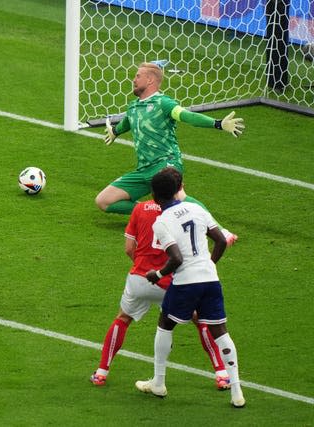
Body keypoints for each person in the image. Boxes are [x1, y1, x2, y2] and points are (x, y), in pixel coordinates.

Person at [90, 169, 230, 390]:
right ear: (178, 189)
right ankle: (222, 373)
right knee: (199, 319)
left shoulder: (139, 208)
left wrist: (142, 265)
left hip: (140, 279)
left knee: (123, 318)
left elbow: (129, 248)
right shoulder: (182, 213)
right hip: (169, 280)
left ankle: (101, 372)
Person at [96, 62, 243, 244]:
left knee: (181, 198)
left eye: (138, 76)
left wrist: (218, 123)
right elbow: (128, 121)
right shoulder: (133, 107)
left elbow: (188, 116)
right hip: (143, 170)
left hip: (166, 164)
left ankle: (222, 232)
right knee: (104, 201)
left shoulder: (164, 103)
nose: (133, 79)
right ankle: (157, 210)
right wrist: (115, 131)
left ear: (150, 80)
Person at [135, 168, 245, 408]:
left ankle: (159, 382)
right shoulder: (197, 209)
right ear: (178, 190)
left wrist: (158, 274)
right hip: (210, 279)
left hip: (186, 282)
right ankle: (236, 392)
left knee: (165, 324)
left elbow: (176, 258)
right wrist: (209, 264)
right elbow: (221, 240)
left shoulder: (162, 222)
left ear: (154, 196)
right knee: (220, 331)